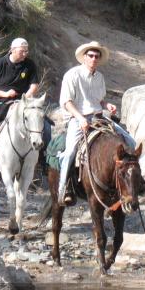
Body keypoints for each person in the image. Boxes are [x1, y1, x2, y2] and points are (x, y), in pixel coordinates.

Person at [57, 41, 138, 207]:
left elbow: (98, 100)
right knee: (70, 151)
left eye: (97, 56)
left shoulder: (99, 77)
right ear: (84, 57)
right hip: (77, 118)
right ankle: (64, 188)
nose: (94, 58)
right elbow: (67, 102)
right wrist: (80, 118)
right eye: (91, 55)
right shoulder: (72, 75)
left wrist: (107, 105)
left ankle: (136, 183)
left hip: (99, 117)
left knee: (131, 142)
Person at [0, 38, 46, 166]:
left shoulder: (30, 65)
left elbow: (34, 85)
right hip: (0, 102)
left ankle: (42, 162)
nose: (25, 54)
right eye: (22, 51)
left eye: (26, 51)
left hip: (24, 103)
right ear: (12, 50)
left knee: (46, 127)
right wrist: (5, 94)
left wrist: (25, 99)